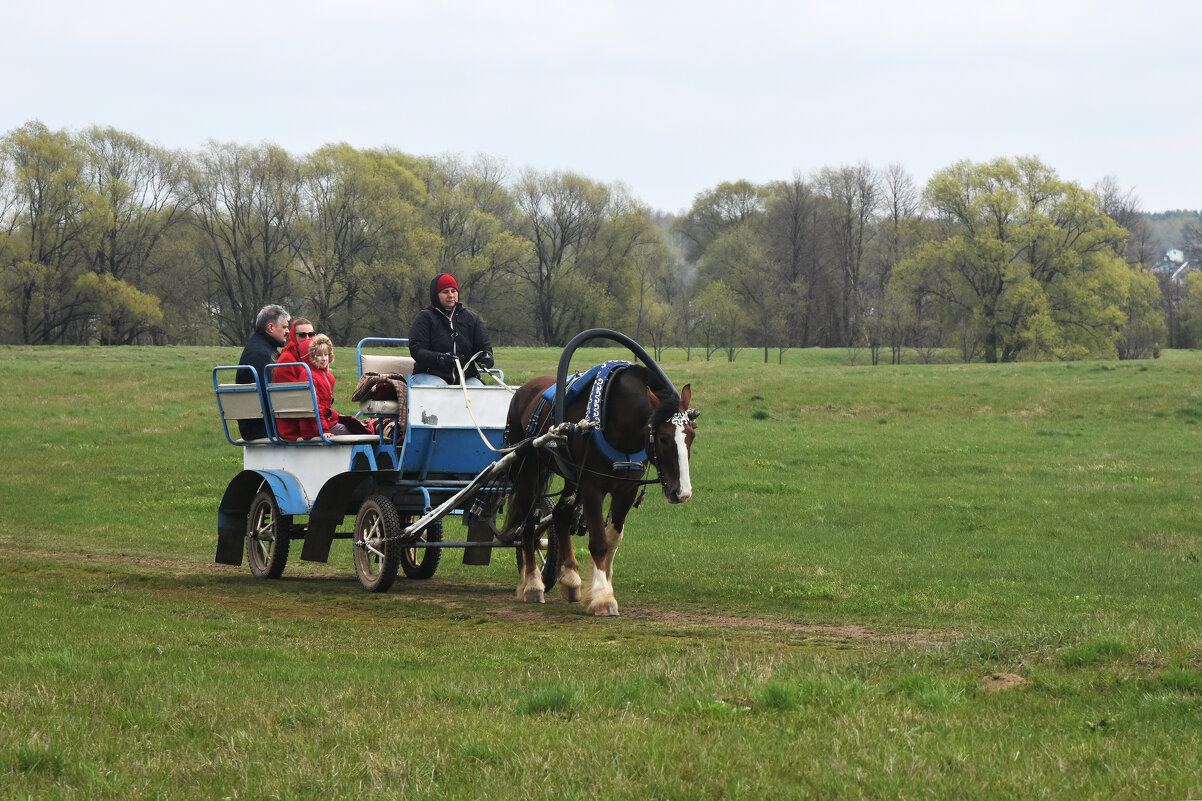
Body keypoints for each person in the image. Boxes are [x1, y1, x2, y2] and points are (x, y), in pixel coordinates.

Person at [408, 273, 494, 386]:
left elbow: (484, 347)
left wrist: (486, 357)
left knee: (477, 390)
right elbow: (417, 350)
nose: (451, 295)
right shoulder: (424, 318)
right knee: (441, 390)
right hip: (429, 375)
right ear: (436, 295)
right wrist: (440, 358)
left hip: (465, 377)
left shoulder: (472, 319)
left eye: (453, 291)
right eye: (445, 292)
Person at [236, 304, 290, 441]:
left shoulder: (260, 347)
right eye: (284, 327)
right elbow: (269, 395)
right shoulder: (261, 354)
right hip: (263, 427)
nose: (288, 331)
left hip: (255, 425)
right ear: (270, 327)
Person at [268, 318, 316, 441]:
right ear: (293, 337)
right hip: (295, 427)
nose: (307, 338)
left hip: (311, 419)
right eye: (302, 335)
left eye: (311, 334)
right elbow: (299, 400)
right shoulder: (287, 360)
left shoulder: (311, 357)